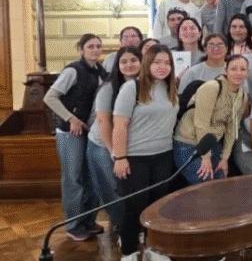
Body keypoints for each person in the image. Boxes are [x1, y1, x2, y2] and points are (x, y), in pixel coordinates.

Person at [112, 45, 179, 260]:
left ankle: (154, 249)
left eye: (167, 62)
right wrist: (120, 157)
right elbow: (119, 125)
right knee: (134, 207)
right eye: (157, 62)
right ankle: (129, 252)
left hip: (163, 155)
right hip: (135, 157)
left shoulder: (170, 88)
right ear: (147, 63)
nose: (162, 67)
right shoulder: (132, 87)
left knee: (158, 206)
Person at [43, 34, 107, 241]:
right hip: (71, 133)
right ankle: (73, 225)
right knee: (74, 178)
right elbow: (50, 97)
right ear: (81, 49)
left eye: (98, 46)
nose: (95, 50)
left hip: (91, 132)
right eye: (90, 46)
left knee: (91, 178)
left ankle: (88, 220)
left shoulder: (101, 71)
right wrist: (71, 118)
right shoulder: (73, 70)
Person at [87, 46, 141, 235]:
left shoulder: (145, 84)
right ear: (117, 65)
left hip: (126, 145)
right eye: (123, 61)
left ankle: (131, 226)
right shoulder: (109, 87)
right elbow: (103, 122)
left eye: (133, 60)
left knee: (128, 187)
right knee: (113, 187)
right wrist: (115, 153)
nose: (129, 65)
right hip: (103, 144)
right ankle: (122, 227)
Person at [173, 55, 249, 184]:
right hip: (189, 143)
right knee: (206, 186)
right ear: (225, 70)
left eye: (243, 69)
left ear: (247, 73)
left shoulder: (242, 96)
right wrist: (205, 157)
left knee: (221, 184)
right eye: (234, 69)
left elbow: (232, 128)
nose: (238, 73)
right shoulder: (212, 87)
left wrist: (224, 158)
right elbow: (201, 124)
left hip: (212, 143)